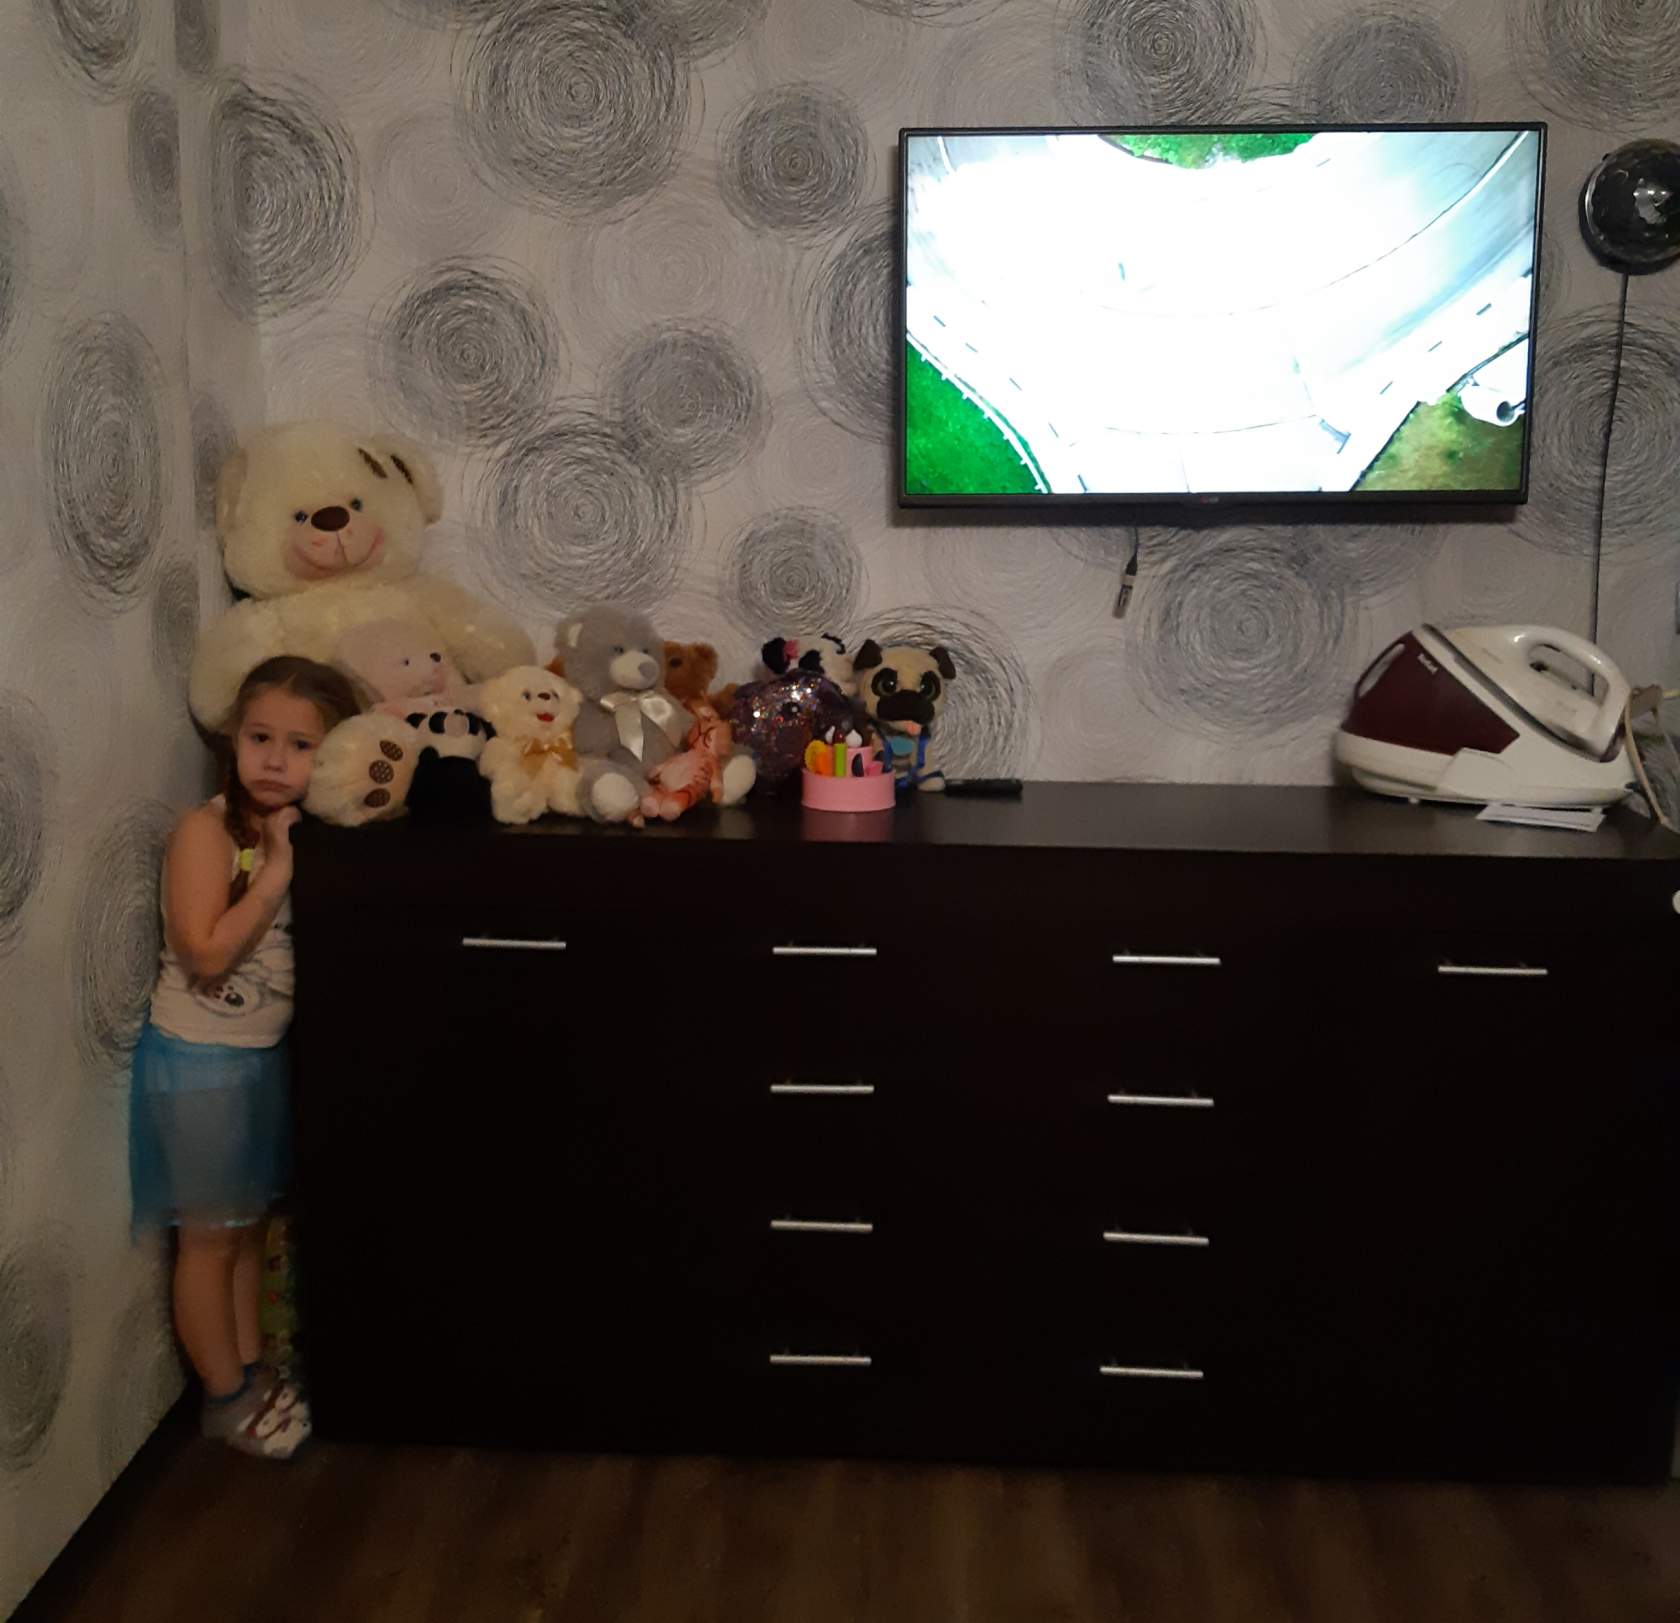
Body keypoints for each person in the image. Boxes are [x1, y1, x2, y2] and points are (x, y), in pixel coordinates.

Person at [130, 655, 357, 1459]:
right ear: (233, 737)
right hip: (200, 1060)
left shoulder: (296, 826)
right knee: (209, 1239)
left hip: (254, 1057)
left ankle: (252, 1373)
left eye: (300, 744)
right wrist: (275, 874)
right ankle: (225, 1400)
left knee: (247, 1225)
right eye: (260, 737)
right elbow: (203, 950)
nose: (274, 760)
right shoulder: (209, 829)